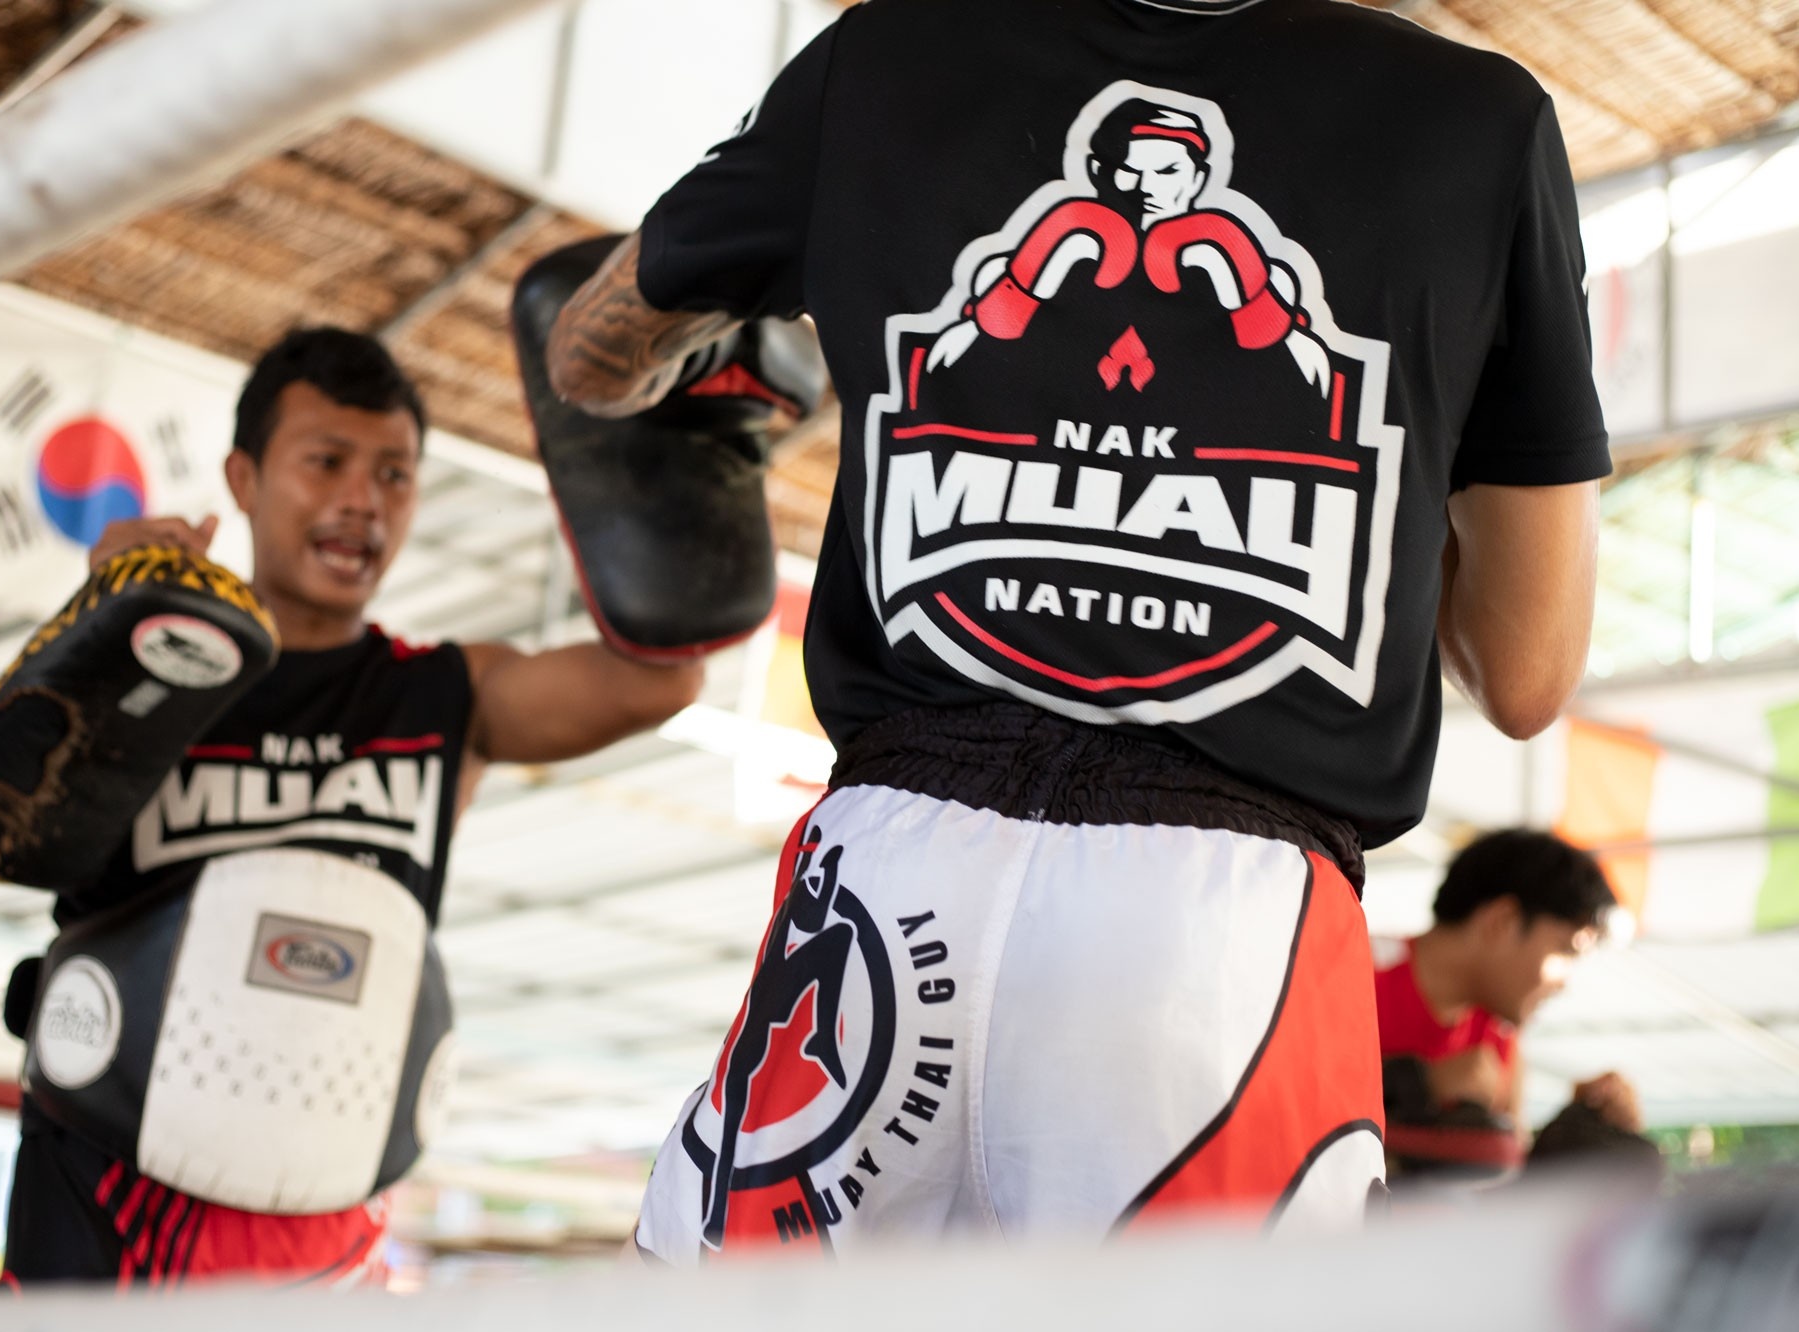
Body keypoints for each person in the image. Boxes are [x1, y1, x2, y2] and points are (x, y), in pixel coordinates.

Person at [541, 0, 1609, 1261]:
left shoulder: (882, 58)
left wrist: (728, 376)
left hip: (886, 888)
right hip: (1223, 938)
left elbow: (586, 353)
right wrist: (1389, 471)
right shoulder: (1477, 121)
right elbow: (1525, 671)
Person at [0, 328, 703, 1285]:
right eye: (326, 462)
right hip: (104, 1206)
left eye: (394, 474)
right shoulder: (144, 667)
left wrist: (679, 451)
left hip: (326, 1233)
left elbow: (662, 680)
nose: (363, 499)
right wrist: (98, 631)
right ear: (243, 478)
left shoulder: (446, 693)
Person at [1374, 829, 1641, 1182]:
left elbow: (1504, 1181)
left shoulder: (1500, 1037)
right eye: (1565, 950)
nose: (1564, 983)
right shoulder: (1358, 967)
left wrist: (1576, 1124)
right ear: (1502, 921)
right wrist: (1419, 1082)